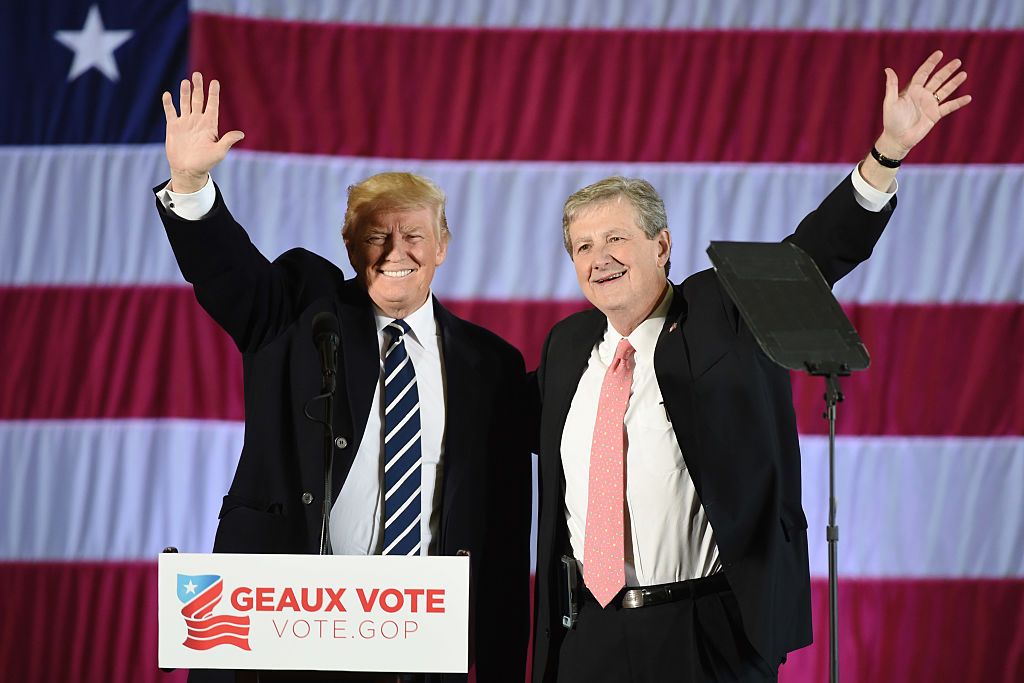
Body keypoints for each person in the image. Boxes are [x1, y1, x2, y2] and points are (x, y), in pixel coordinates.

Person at [530, 51, 971, 682]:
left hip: (703, 632)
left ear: (662, 246)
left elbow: (813, 254)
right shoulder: (568, 346)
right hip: (589, 635)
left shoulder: (721, 307)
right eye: (583, 247)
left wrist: (887, 153)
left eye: (616, 239)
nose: (599, 258)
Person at [154, 73, 531, 683]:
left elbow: (506, 533)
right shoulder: (303, 307)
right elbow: (230, 277)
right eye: (375, 234)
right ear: (350, 245)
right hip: (288, 629)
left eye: (413, 234)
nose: (394, 250)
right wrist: (193, 185)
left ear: (443, 246)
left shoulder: (491, 365)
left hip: (420, 641)